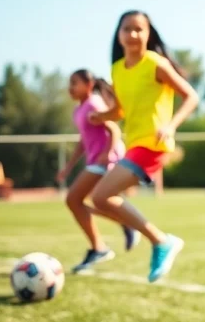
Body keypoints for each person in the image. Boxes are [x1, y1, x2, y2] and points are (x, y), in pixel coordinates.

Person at [89, 11, 200, 282]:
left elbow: (191, 96)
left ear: (148, 34)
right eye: (128, 29)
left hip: (154, 143)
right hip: (134, 144)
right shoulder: (116, 69)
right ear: (119, 34)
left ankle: (159, 240)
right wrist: (101, 117)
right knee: (102, 198)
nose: (134, 35)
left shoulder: (155, 63)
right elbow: (121, 110)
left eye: (140, 29)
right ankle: (151, 236)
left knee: (100, 196)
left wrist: (171, 125)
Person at [56, 68, 138, 273]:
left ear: (89, 85)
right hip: (95, 160)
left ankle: (101, 246)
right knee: (86, 202)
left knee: (74, 200)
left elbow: (114, 129)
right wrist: (68, 167)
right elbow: (83, 141)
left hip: (106, 159)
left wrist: (108, 153)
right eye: (69, 83)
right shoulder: (79, 110)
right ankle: (124, 226)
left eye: (75, 83)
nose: (70, 88)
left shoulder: (94, 103)